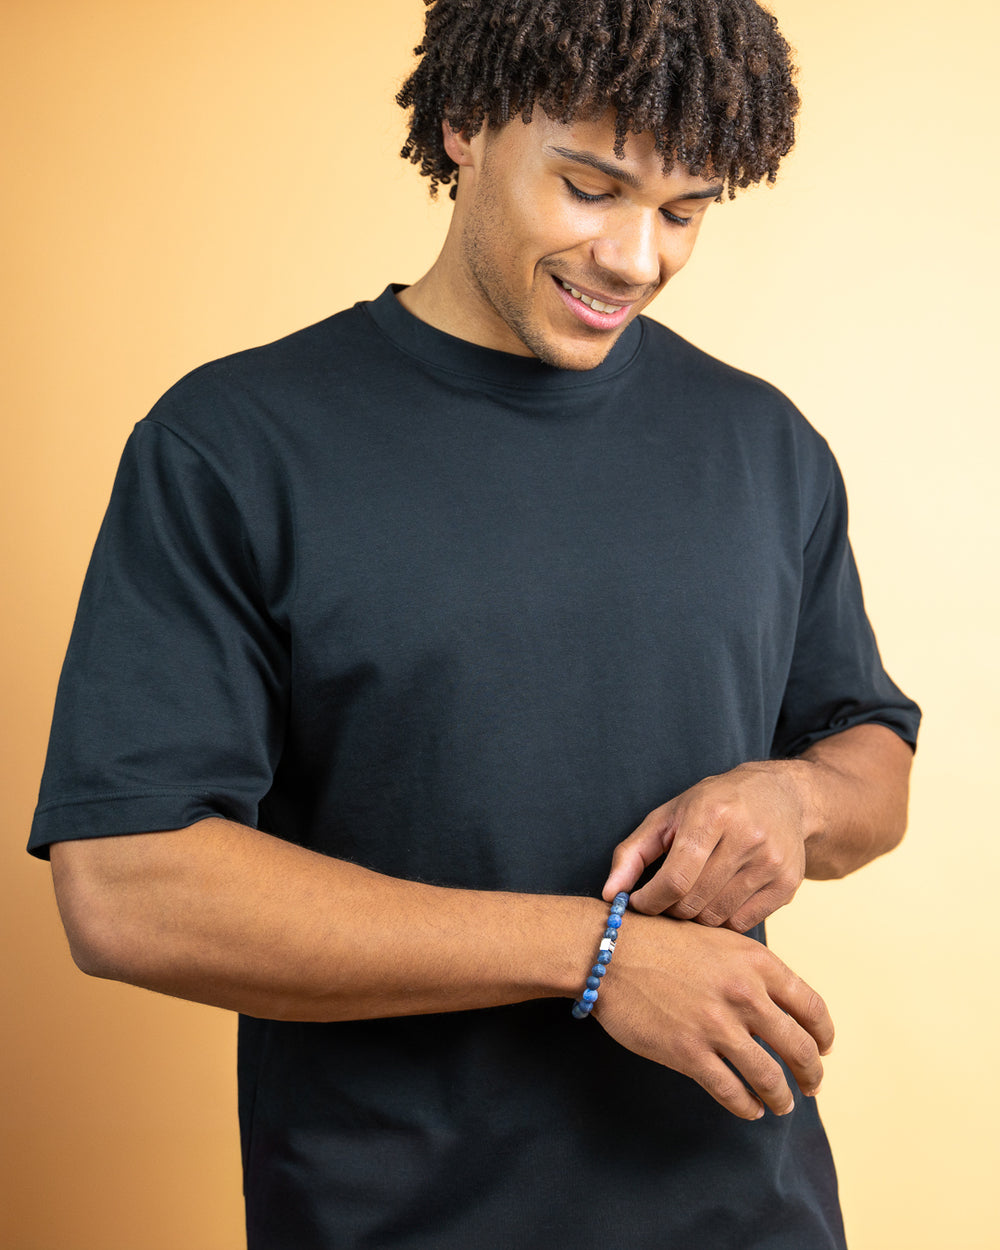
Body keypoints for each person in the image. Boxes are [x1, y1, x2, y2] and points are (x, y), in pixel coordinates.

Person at [29, 1, 920, 1246]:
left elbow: (869, 755)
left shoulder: (765, 445)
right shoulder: (231, 444)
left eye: (683, 210)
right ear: (463, 123)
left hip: (751, 1215)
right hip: (390, 1220)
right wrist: (595, 956)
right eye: (590, 187)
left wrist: (797, 800)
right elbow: (126, 885)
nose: (635, 258)